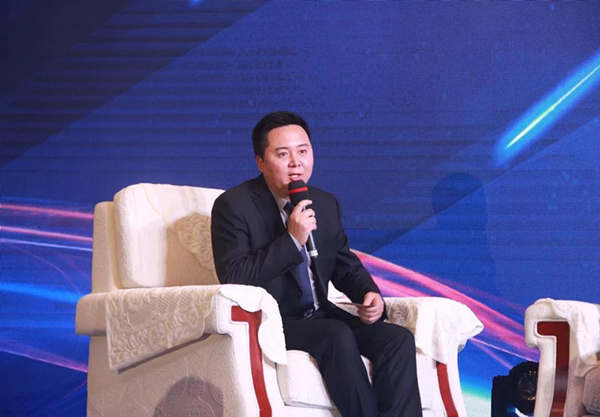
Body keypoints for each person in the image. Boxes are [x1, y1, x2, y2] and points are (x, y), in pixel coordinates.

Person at [211, 111, 422, 417]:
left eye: (303, 151)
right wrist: (291, 241)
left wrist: (368, 294)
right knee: (335, 333)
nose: (296, 162)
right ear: (260, 162)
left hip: (321, 314)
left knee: (396, 339)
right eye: (283, 154)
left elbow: (344, 264)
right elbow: (234, 276)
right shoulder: (233, 206)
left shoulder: (324, 203)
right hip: (275, 321)